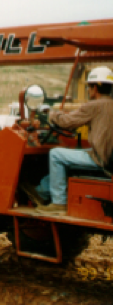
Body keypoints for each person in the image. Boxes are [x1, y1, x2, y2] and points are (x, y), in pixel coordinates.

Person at [22, 66, 113, 215]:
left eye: (89, 87)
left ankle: (58, 202)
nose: (89, 91)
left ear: (95, 88)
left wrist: (51, 114)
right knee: (69, 156)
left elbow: (66, 122)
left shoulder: (94, 105)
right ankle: (42, 191)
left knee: (56, 154)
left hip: (100, 158)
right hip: (108, 156)